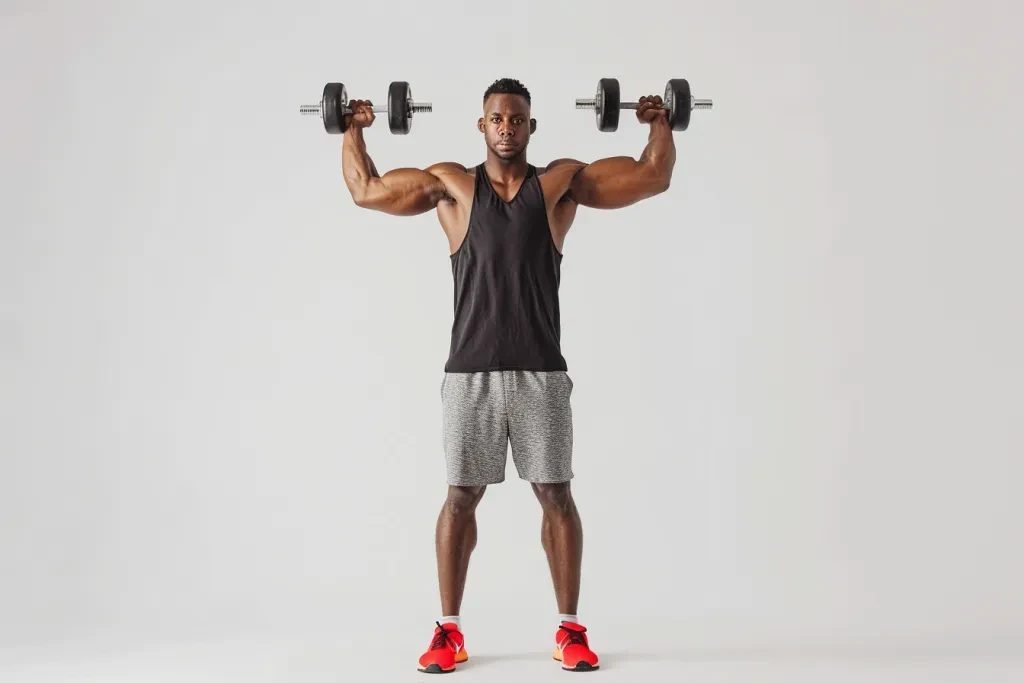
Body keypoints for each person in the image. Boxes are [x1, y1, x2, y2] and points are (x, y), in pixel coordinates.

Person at [341, 78, 676, 673]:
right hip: (467, 374)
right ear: (481, 125)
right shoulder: (451, 186)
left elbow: (653, 177)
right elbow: (365, 190)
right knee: (460, 499)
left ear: (531, 127)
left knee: (556, 495)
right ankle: (449, 631)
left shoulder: (558, 185)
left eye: (516, 119)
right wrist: (353, 127)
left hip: (541, 373)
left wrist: (659, 122)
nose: (506, 127)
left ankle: (569, 630)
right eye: (496, 118)